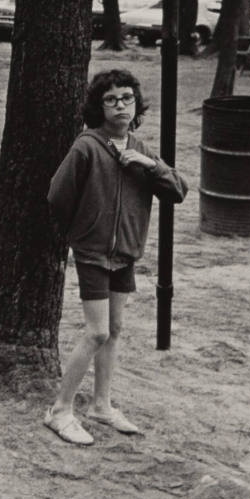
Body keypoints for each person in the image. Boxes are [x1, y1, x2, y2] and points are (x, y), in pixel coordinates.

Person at [43, 69, 187, 447]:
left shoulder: (140, 147)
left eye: (127, 97)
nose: (121, 105)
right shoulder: (87, 146)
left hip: (125, 253)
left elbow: (178, 190)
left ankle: (101, 405)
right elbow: (58, 197)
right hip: (93, 252)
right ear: (99, 106)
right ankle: (60, 410)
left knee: (116, 329)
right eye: (111, 99)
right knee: (97, 332)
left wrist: (147, 165)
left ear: (136, 104)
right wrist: (86, 228)